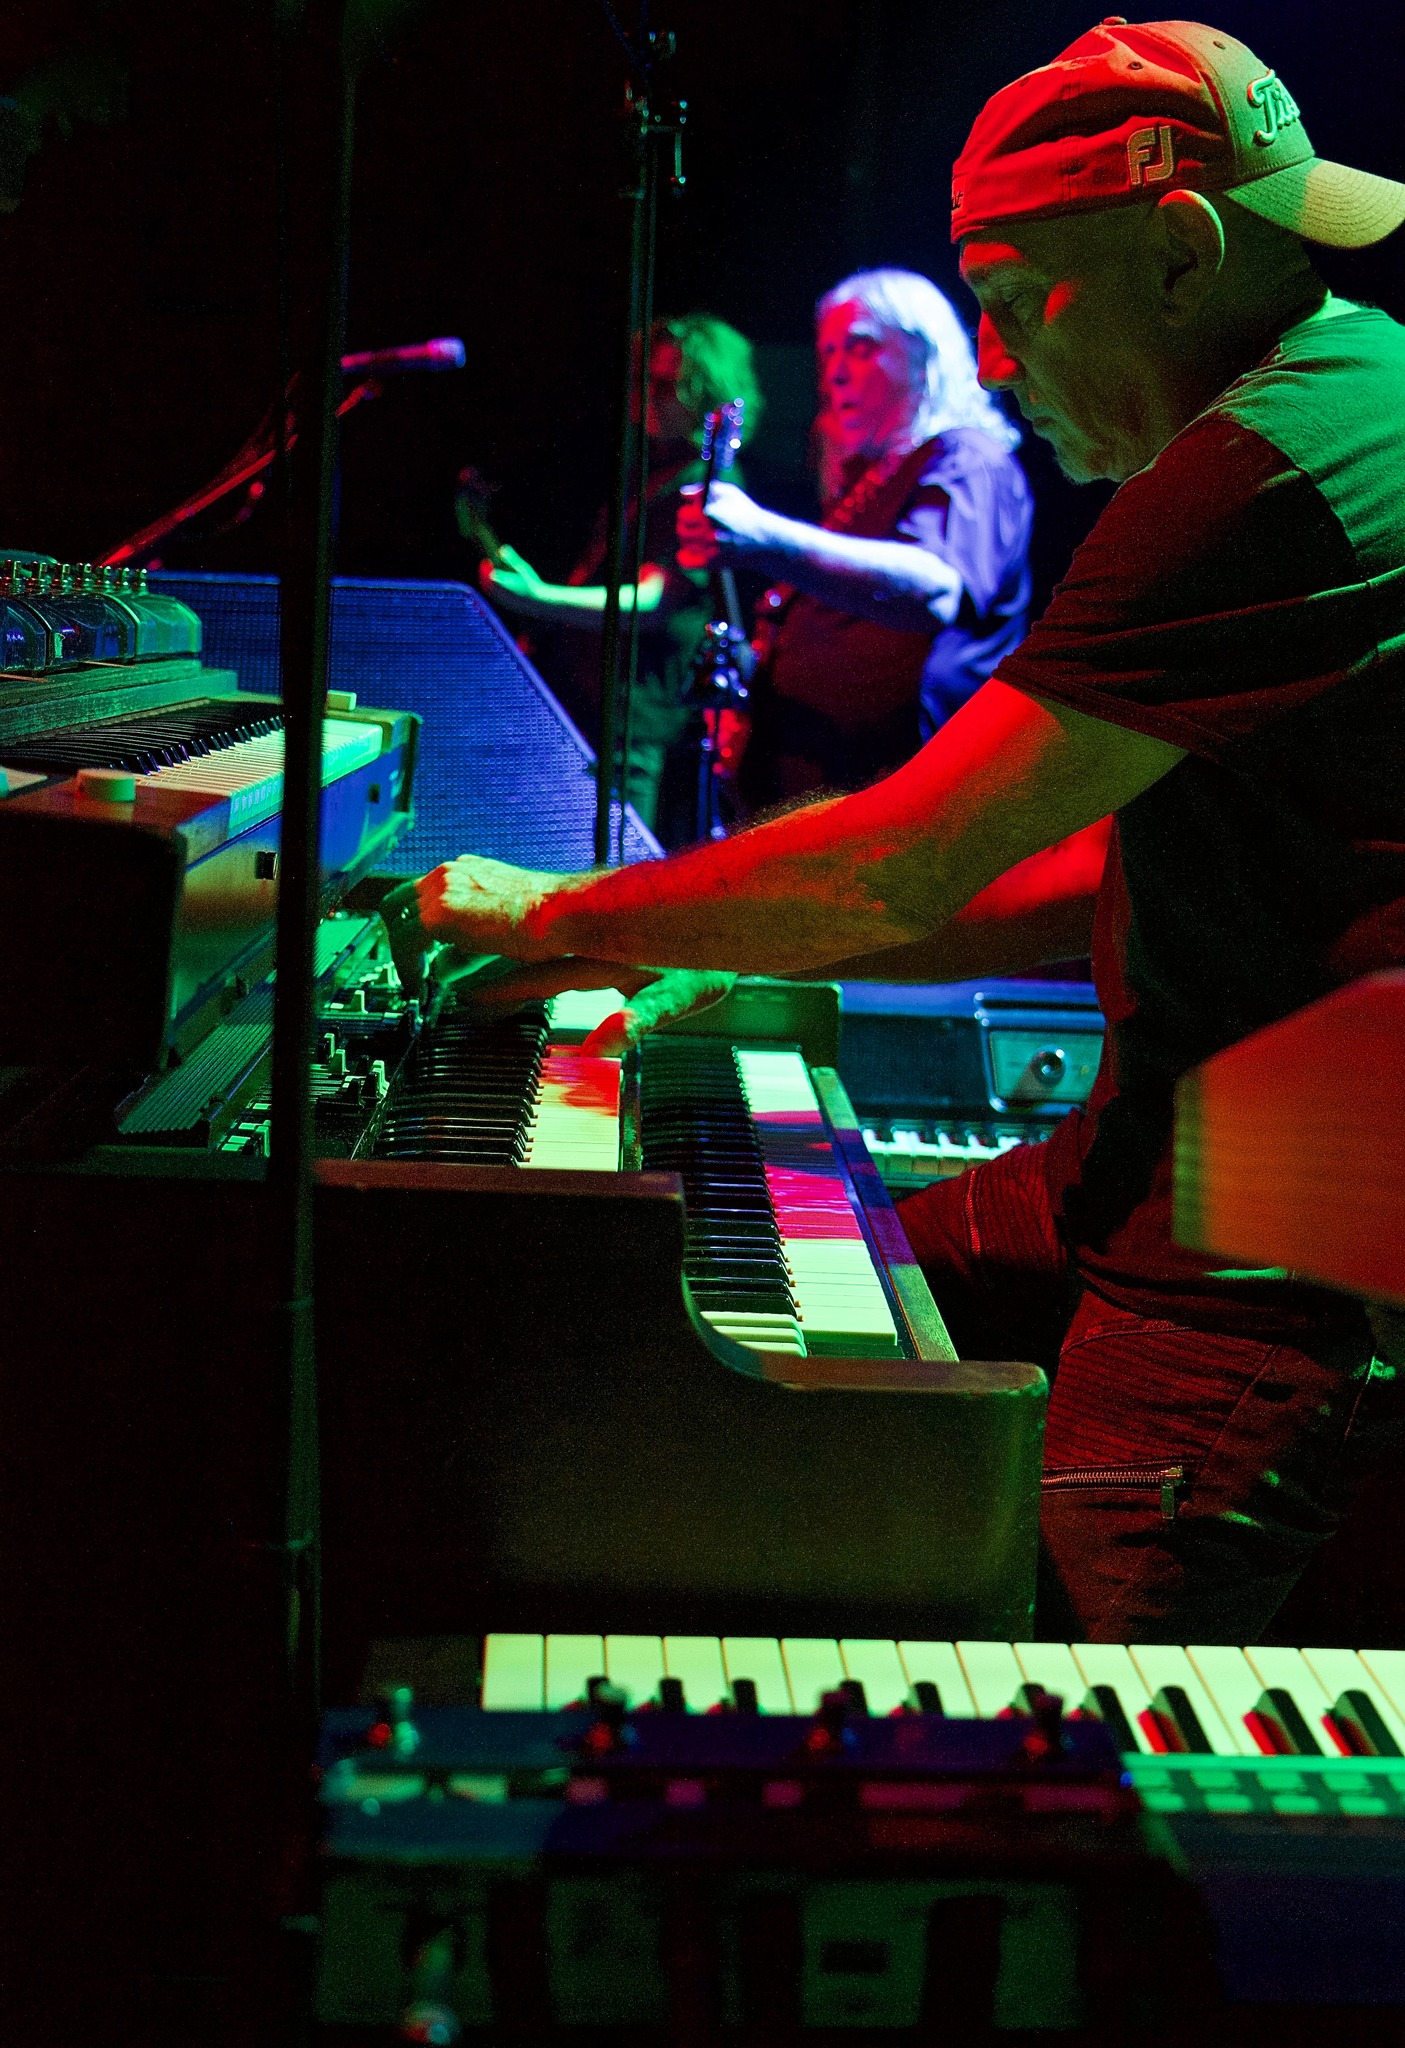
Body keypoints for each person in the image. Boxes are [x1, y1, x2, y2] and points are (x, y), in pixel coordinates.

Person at [386, 19, 1405, 1644]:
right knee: (795, 1304)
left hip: (1257, 1272)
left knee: (1075, 1733)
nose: (993, 369)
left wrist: (564, 914)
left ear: (1180, 251)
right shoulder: (1358, 388)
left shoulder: (1260, 473)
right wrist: (709, 945)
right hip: (1152, 1164)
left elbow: (896, 858)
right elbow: (1065, 870)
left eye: (1009, 307)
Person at [677, 268, 1032, 804]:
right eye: (829, 354)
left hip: (915, 801)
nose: (836, 374)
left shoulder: (966, 458)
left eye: (861, 347)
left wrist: (765, 537)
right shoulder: (867, 482)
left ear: (925, 353)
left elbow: (935, 587)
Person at [475, 313, 763, 846]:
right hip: (597, 707)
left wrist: (541, 599)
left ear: (704, 392)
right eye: (639, 380)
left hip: (635, 722)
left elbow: (657, 600)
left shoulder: (706, 482)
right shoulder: (649, 473)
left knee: (614, 868)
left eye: (663, 385)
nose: (643, 396)